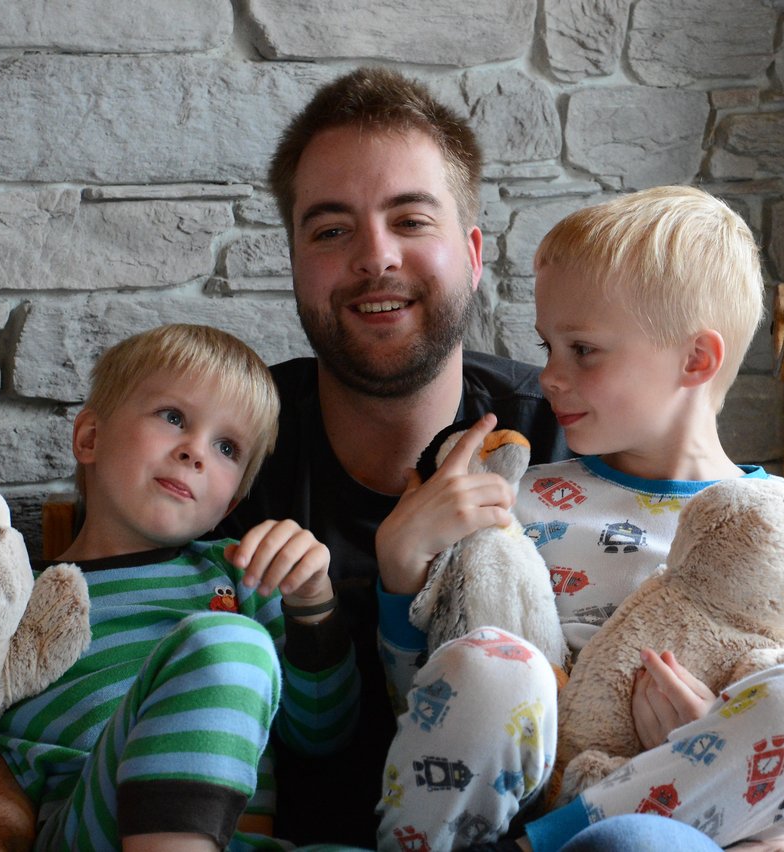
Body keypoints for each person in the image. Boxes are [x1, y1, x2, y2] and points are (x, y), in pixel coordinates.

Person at [374, 187, 784, 852]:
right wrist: (398, 580)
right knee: (490, 663)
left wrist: (706, 740)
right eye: (549, 346)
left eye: (584, 349)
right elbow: (425, 706)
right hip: (495, 811)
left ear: (696, 360)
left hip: (664, 828)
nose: (549, 376)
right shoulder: (515, 501)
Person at [215, 67, 569, 846]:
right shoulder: (227, 447)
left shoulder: (563, 434)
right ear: (296, 264)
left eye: (410, 220)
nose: (375, 257)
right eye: (331, 229)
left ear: (473, 254)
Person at [0, 323, 359, 851]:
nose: (196, 452)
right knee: (230, 642)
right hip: (92, 825)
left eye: (227, 447)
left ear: (229, 505)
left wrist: (310, 599)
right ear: (90, 438)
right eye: (173, 417)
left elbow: (322, 733)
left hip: (235, 838)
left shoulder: (242, 574)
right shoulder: (14, 596)